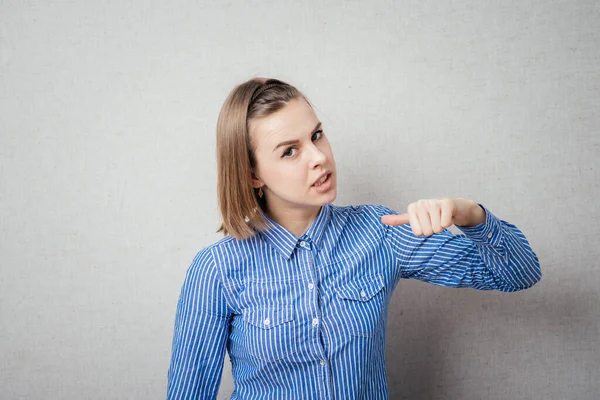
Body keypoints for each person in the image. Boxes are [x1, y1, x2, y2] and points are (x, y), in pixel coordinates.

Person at [166, 77, 542, 399]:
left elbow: (520, 273)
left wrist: (469, 214)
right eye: (290, 151)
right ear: (252, 175)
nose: (318, 157)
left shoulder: (380, 232)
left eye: (316, 135)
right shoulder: (216, 270)